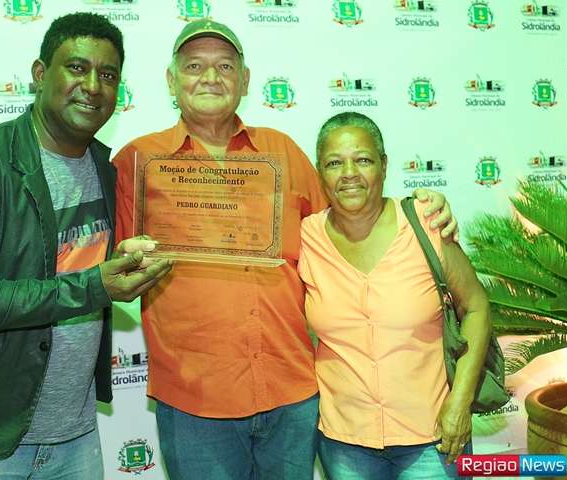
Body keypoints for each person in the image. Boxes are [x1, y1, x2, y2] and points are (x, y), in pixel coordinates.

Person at [113, 20, 458, 479]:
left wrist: (421, 208)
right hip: (195, 401)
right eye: (194, 66)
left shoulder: (283, 153)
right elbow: (114, 273)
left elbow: (348, 222)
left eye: (225, 66)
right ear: (171, 81)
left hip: (290, 393)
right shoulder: (137, 162)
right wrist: (127, 262)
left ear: (245, 80)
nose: (210, 77)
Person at [0, 12, 171, 479]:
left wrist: (121, 265)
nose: (92, 86)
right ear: (39, 74)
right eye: (77, 67)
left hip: (76, 436)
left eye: (108, 75)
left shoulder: (106, 167)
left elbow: (70, 264)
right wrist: (94, 287)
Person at [298, 112, 491, 479]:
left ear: (384, 165)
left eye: (363, 160)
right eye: (335, 163)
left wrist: (460, 402)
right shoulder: (307, 236)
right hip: (344, 443)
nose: (349, 173)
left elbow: (476, 307)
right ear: (320, 172)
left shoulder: (425, 223)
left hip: (433, 438)